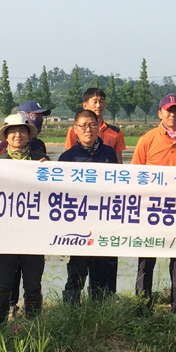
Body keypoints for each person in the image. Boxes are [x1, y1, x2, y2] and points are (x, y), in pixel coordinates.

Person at [131, 94, 176, 319]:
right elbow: (135, 176)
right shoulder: (147, 139)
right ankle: (142, 308)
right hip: (150, 209)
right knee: (146, 260)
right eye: (168, 110)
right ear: (160, 113)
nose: (172, 115)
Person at [0, 114, 50, 325]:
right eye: (13, 132)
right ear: (6, 137)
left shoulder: (41, 161)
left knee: (33, 283)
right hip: (4, 236)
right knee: (3, 283)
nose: (18, 135)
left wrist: (51, 170)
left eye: (22, 131)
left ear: (29, 135)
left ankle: (33, 326)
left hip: (33, 234)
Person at [58, 110, 119, 304]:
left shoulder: (109, 154)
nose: (88, 130)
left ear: (98, 128)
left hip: (103, 221)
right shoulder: (67, 157)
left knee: (101, 269)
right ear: (75, 130)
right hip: (78, 223)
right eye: (83, 125)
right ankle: (71, 309)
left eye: (92, 125)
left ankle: (99, 312)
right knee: (77, 268)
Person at [64, 88, 126, 163]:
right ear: (85, 105)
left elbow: (118, 164)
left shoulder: (116, 132)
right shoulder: (75, 130)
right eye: (95, 102)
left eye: (101, 101)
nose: (98, 105)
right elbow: (69, 159)